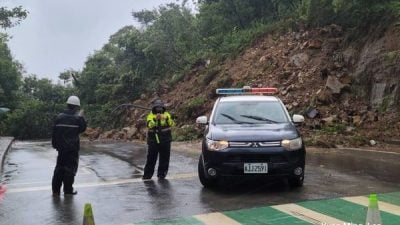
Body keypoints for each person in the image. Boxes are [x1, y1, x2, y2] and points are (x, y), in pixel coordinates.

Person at [51, 95, 86, 196]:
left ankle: (56, 191)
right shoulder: (77, 119)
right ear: (76, 107)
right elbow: (82, 129)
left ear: (67, 105)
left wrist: (55, 145)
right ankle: (68, 191)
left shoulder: (59, 117)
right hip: (72, 149)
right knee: (70, 170)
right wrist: (81, 117)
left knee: (59, 168)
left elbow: (54, 133)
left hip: (61, 149)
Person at [142, 99, 175, 180]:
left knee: (165, 157)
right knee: (151, 157)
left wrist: (167, 118)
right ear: (154, 108)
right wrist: (155, 119)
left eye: (160, 108)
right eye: (157, 108)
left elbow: (172, 123)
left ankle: (162, 174)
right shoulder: (150, 115)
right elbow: (149, 124)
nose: (159, 110)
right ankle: (147, 175)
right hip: (153, 140)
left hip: (166, 139)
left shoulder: (167, 114)